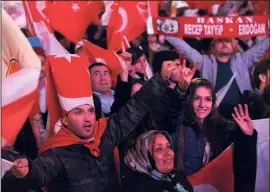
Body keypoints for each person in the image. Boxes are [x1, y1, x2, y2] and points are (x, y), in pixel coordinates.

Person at [2, 52, 185, 192]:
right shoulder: (57, 151)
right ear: (65, 119)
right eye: (79, 112)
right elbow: (41, 173)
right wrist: (26, 173)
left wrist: (160, 79)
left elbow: (137, 106)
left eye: (90, 111)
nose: (88, 117)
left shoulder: (104, 133)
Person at [172, 78, 257, 191]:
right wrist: (180, 90)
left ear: (213, 103)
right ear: (188, 100)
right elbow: (172, 112)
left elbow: (242, 164)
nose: (202, 104)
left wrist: (247, 135)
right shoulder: (178, 124)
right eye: (197, 98)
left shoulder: (220, 128)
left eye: (208, 99)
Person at [166, 35, 269, 119]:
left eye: (227, 41)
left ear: (233, 47)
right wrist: (166, 34)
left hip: (242, 117)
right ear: (213, 47)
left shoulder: (242, 59)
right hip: (215, 119)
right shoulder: (204, 62)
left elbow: (260, 48)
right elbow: (186, 50)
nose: (224, 43)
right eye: (220, 41)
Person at [123, 130, 193, 192]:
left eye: (168, 146)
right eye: (159, 149)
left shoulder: (177, 176)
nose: (168, 153)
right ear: (144, 156)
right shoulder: (139, 187)